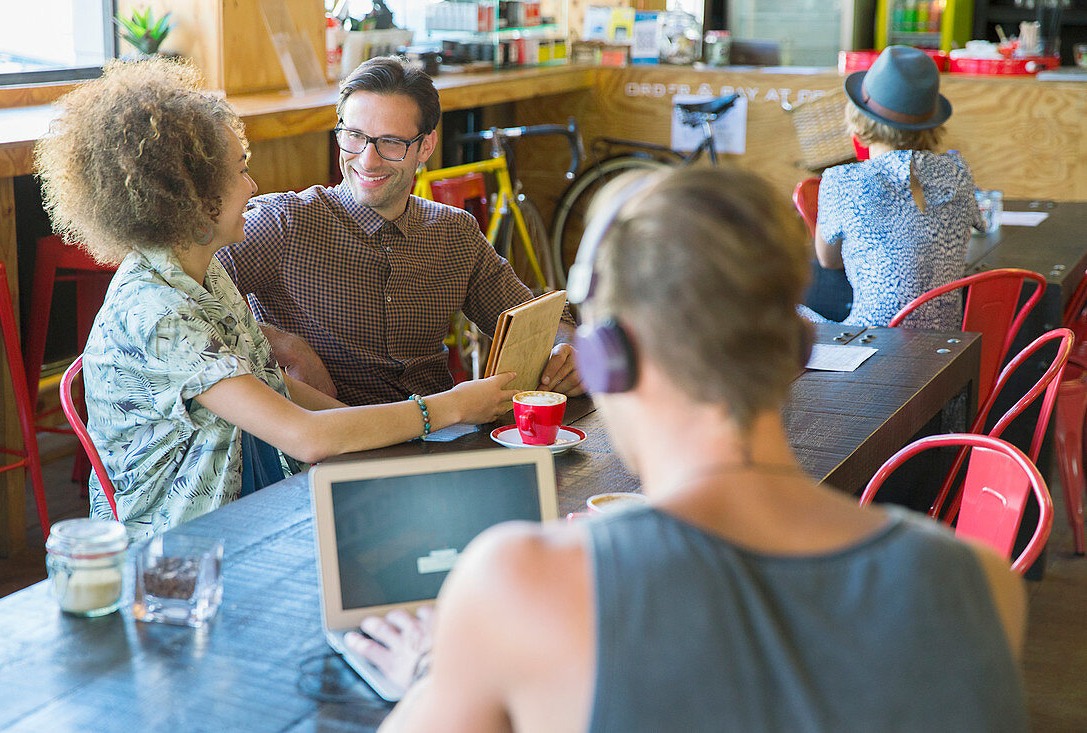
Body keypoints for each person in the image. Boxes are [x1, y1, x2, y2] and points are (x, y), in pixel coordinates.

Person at [346, 167, 1027, 731]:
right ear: (796, 350)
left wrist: (435, 671)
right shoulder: (978, 583)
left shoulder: (519, 586)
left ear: (607, 361)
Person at [33, 58, 518, 541]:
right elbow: (304, 436)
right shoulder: (160, 314)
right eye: (240, 172)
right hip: (182, 552)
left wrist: (408, 433)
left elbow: (281, 392)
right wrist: (447, 408)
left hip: (254, 505)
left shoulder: (204, 275)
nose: (253, 187)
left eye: (390, 142)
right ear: (192, 199)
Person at [216, 56, 582, 406]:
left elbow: (538, 318)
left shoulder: (454, 232)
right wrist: (279, 343)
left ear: (426, 146)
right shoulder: (283, 223)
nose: (367, 159)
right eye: (354, 136)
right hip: (335, 449)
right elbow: (171, 293)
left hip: (442, 439)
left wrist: (567, 352)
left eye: (390, 142)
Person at [799, 45, 983, 328]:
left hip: (872, 347)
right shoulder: (958, 171)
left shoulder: (842, 181)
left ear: (859, 121)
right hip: (946, 349)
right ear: (930, 122)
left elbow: (828, 261)